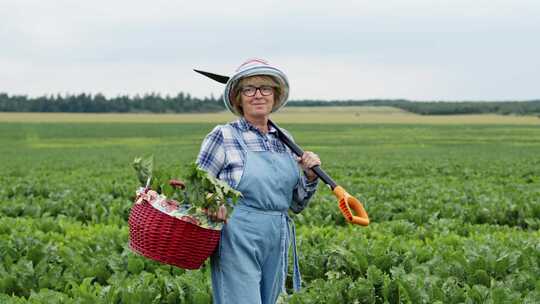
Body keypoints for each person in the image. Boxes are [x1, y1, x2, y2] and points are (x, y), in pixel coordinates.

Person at [196, 58, 321, 304]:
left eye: (265, 88)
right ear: (238, 98)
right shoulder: (224, 135)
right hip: (238, 233)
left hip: (277, 232)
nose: (258, 95)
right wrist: (212, 202)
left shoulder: (285, 139)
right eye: (249, 89)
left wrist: (309, 176)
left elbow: (296, 203)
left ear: (274, 96)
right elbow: (198, 186)